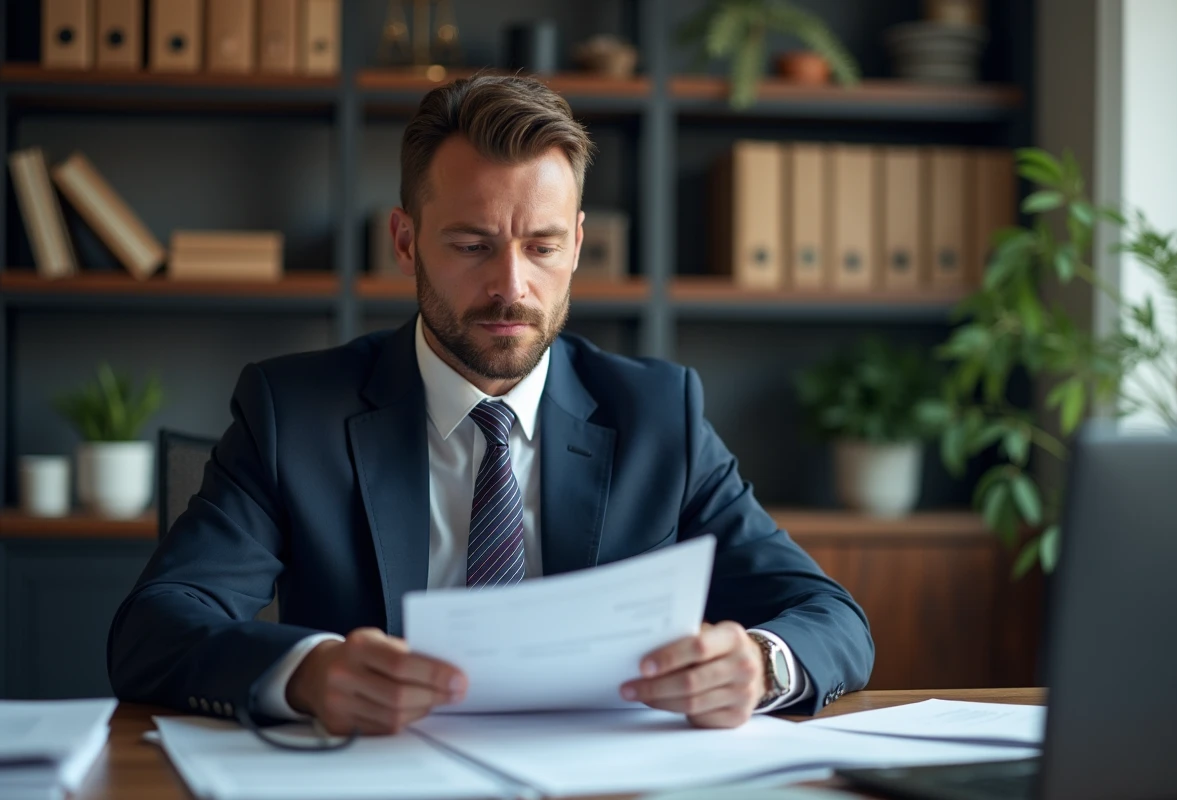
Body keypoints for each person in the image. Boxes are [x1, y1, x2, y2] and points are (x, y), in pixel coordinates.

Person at [108, 75, 873, 735]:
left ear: (577, 244)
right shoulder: (291, 412)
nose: (512, 286)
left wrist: (761, 666)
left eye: (541, 247)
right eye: (472, 245)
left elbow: (828, 616)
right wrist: (308, 671)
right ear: (406, 243)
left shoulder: (656, 412)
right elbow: (156, 627)